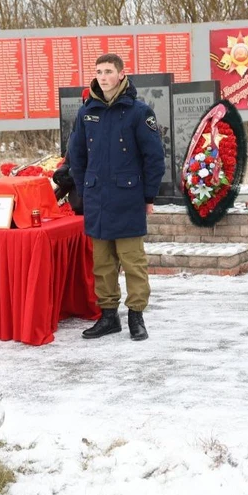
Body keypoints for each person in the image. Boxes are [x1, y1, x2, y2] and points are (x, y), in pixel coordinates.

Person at [68, 54, 165, 341]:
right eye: (99, 71)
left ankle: (136, 315)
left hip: (128, 198)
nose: (103, 76)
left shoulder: (139, 111)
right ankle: (108, 316)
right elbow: (77, 156)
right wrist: (84, 192)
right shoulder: (87, 113)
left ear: (122, 75)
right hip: (97, 198)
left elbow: (154, 158)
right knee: (103, 263)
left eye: (108, 71)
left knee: (133, 262)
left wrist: (148, 196)